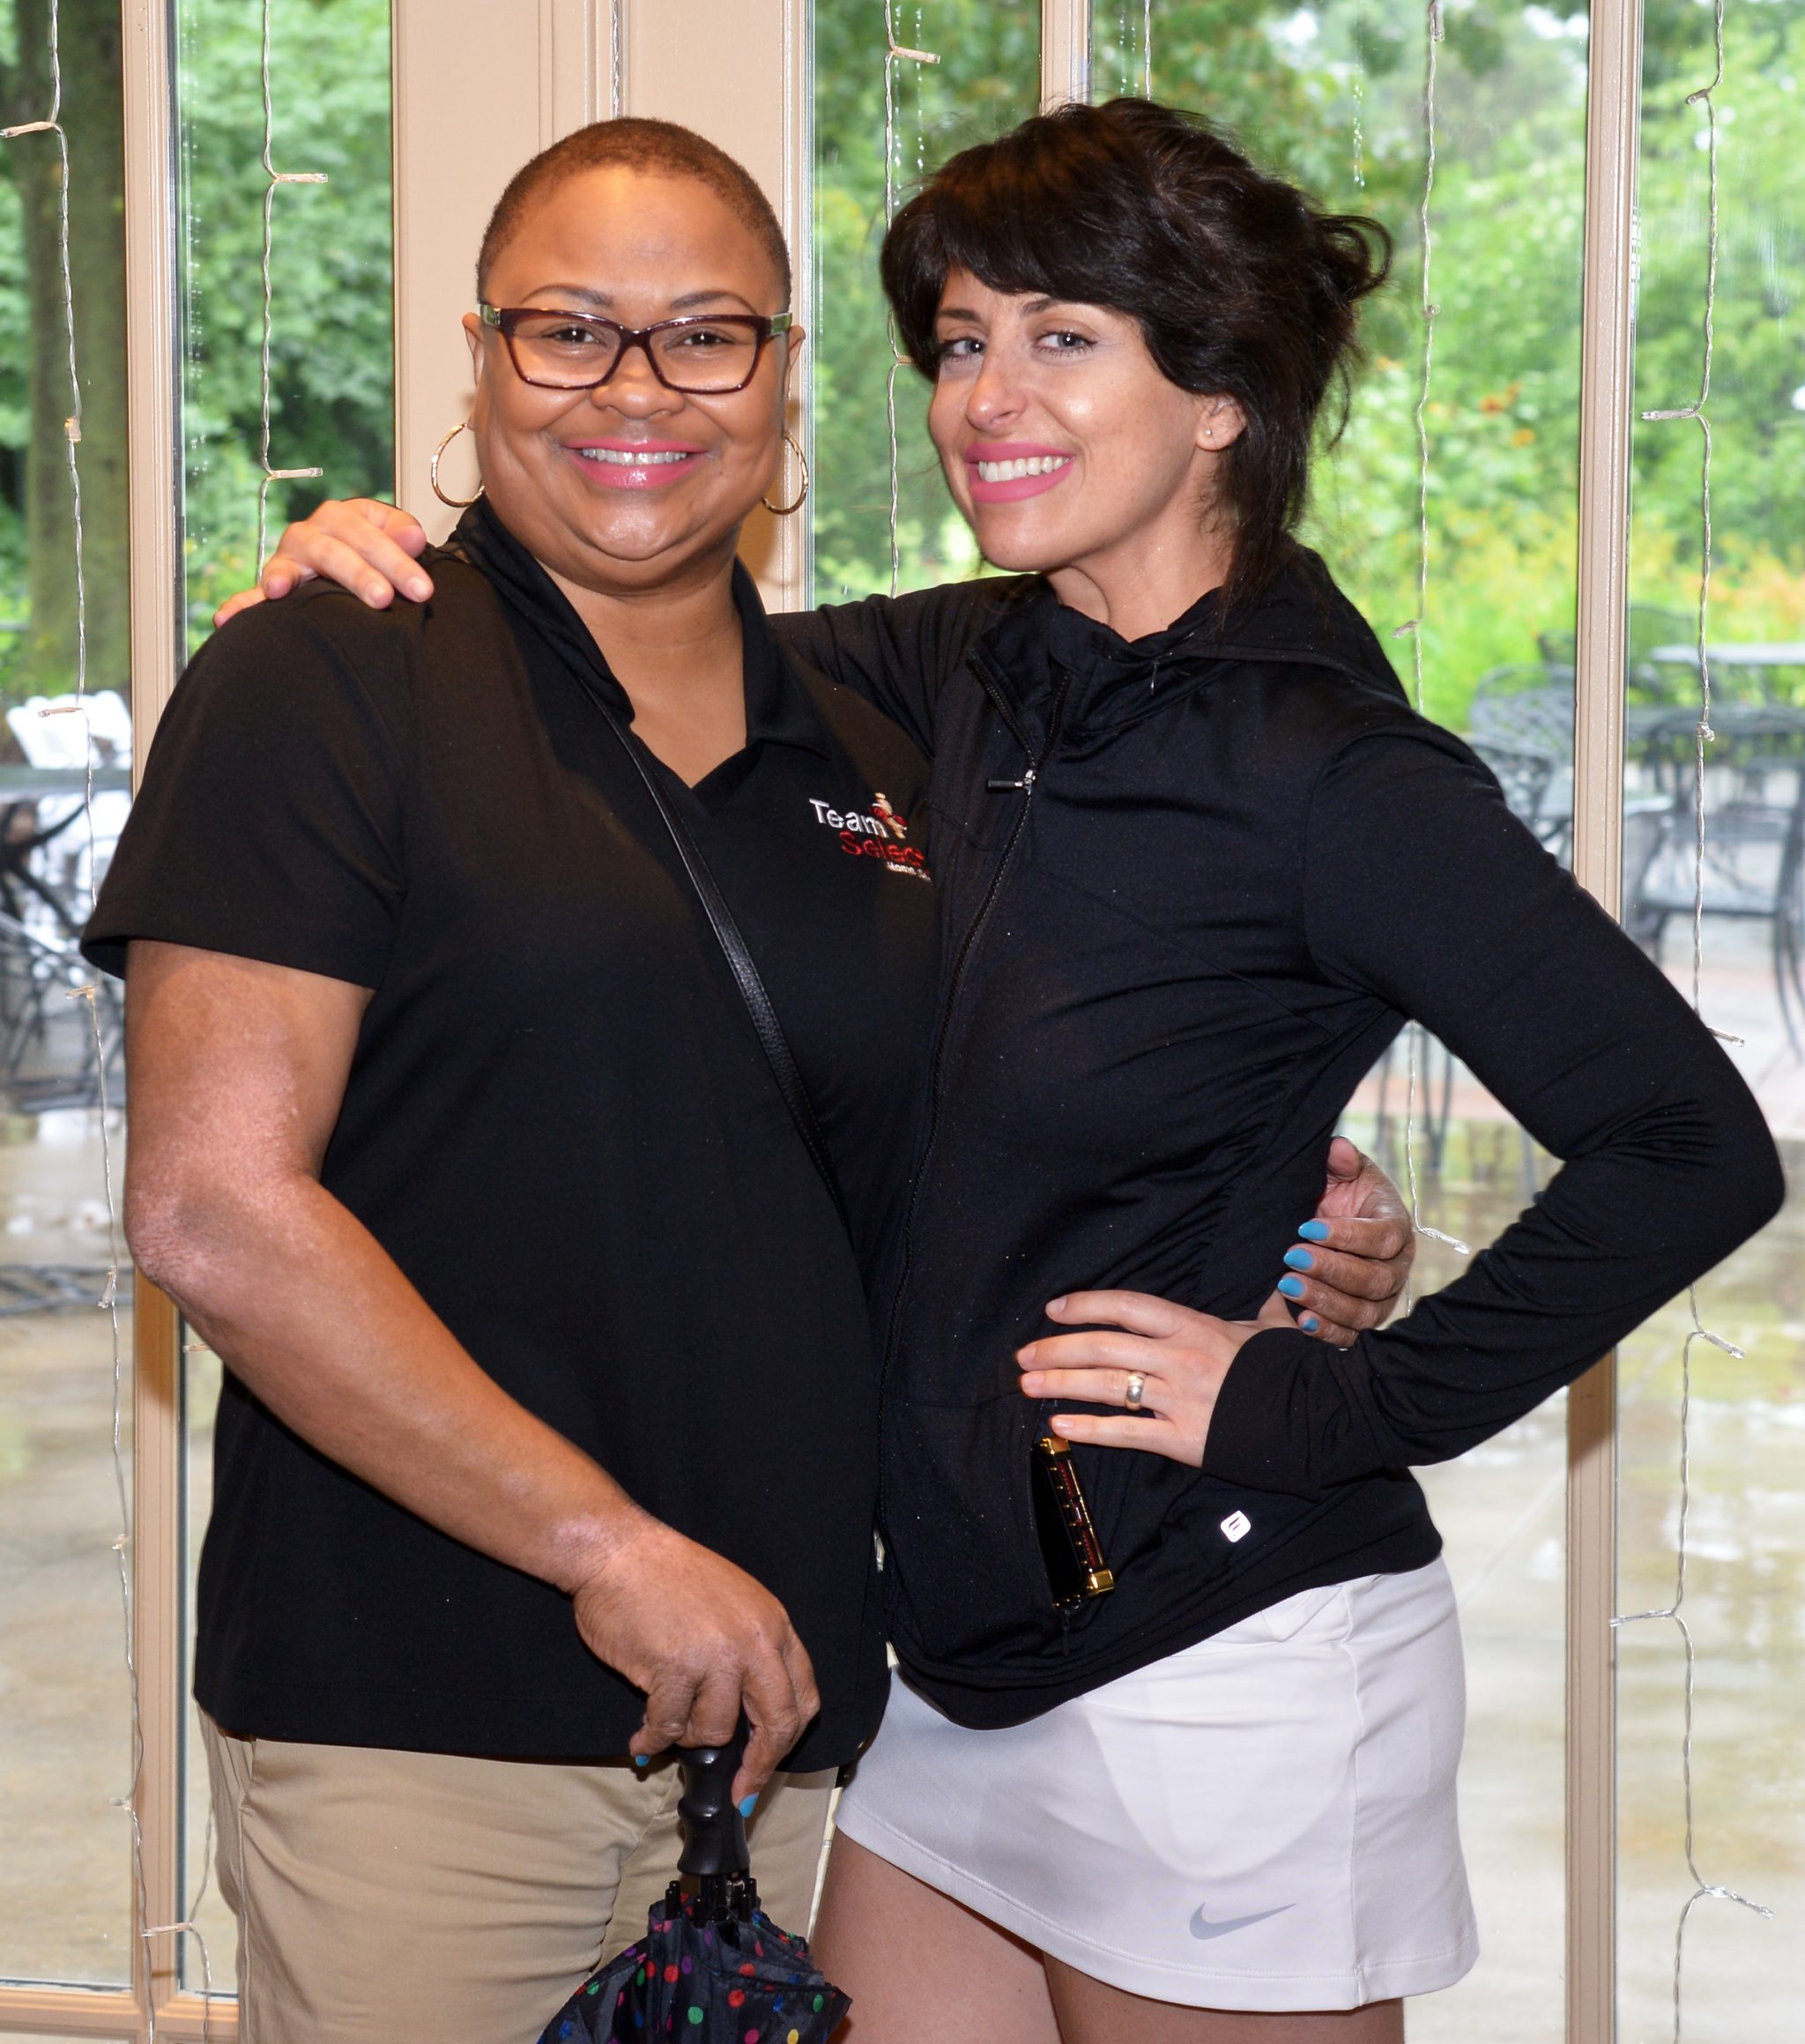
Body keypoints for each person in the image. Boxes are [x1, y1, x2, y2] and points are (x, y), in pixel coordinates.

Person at [260, 100, 1785, 2044]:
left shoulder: (1332, 774)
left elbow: (1689, 1143)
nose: (986, 398)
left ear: (1220, 392)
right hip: (953, 1672)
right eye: (962, 342)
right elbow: (605, 628)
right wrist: (381, 564)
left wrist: (1330, 1399)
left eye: (1064, 337)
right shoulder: (955, 670)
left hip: (1224, 1665)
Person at [92, 114, 1412, 2044]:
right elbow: (213, 1209)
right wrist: (607, 1550)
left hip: (795, 1719)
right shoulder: (330, 682)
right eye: (567, 329)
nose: (635, 389)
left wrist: (1291, 1206)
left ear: (783, 376)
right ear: (480, 356)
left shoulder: (892, 718)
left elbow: (1057, 1051)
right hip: (425, 1722)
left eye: (706, 335)